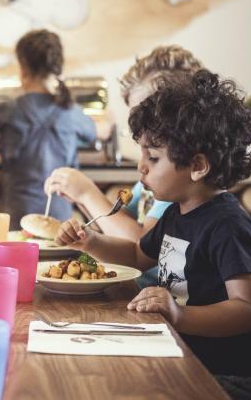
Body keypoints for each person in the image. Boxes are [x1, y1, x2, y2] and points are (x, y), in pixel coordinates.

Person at [55, 69, 251, 400]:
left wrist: (180, 315)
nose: (141, 167)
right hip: (182, 356)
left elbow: (248, 308)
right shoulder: (175, 213)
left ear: (198, 166)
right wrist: (90, 242)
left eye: (153, 157)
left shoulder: (228, 227)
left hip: (226, 381)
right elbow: (138, 256)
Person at [44, 45, 202, 287]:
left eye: (147, 115)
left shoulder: (177, 188)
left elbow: (139, 242)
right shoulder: (155, 180)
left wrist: (87, 193)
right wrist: (80, 203)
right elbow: (120, 234)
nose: (139, 128)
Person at [0, 29, 96, 229]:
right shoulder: (71, 111)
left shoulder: (11, 110)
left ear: (23, 68)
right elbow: (95, 132)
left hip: (19, 218)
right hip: (61, 220)